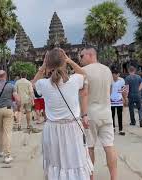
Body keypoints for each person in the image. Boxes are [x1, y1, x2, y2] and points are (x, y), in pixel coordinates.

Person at [33, 48, 93, 180]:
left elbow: (32, 84)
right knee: (75, 159)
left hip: (52, 129)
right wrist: (69, 60)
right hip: (72, 127)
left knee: (56, 162)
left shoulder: (43, 84)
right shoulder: (75, 80)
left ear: (48, 64)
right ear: (64, 62)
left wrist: (43, 66)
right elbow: (85, 75)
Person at [80, 47, 117, 180]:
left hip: (91, 113)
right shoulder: (107, 69)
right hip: (106, 112)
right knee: (109, 145)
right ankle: (114, 177)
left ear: (90, 55)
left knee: (89, 146)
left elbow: (83, 93)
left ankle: (91, 177)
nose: (80, 59)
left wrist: (83, 114)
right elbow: (111, 89)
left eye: (82, 56)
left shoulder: (83, 71)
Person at [110, 67, 126, 136]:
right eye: (113, 74)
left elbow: (123, 90)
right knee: (112, 115)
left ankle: (121, 129)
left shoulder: (122, 80)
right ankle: (112, 127)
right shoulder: (110, 80)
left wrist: (125, 98)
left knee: (120, 115)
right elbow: (108, 90)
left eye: (115, 74)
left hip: (119, 100)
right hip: (111, 100)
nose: (114, 76)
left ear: (118, 74)